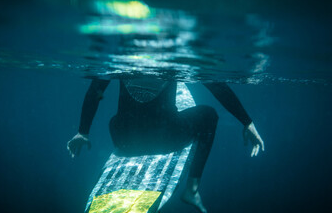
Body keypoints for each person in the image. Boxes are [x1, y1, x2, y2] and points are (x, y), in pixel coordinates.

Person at [67, 77, 264, 213]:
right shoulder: (177, 55)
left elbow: (95, 90)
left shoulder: (121, 56)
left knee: (114, 120)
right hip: (165, 139)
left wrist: (82, 131)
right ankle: (192, 190)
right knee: (208, 115)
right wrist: (247, 122)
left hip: (126, 140)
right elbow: (217, 87)